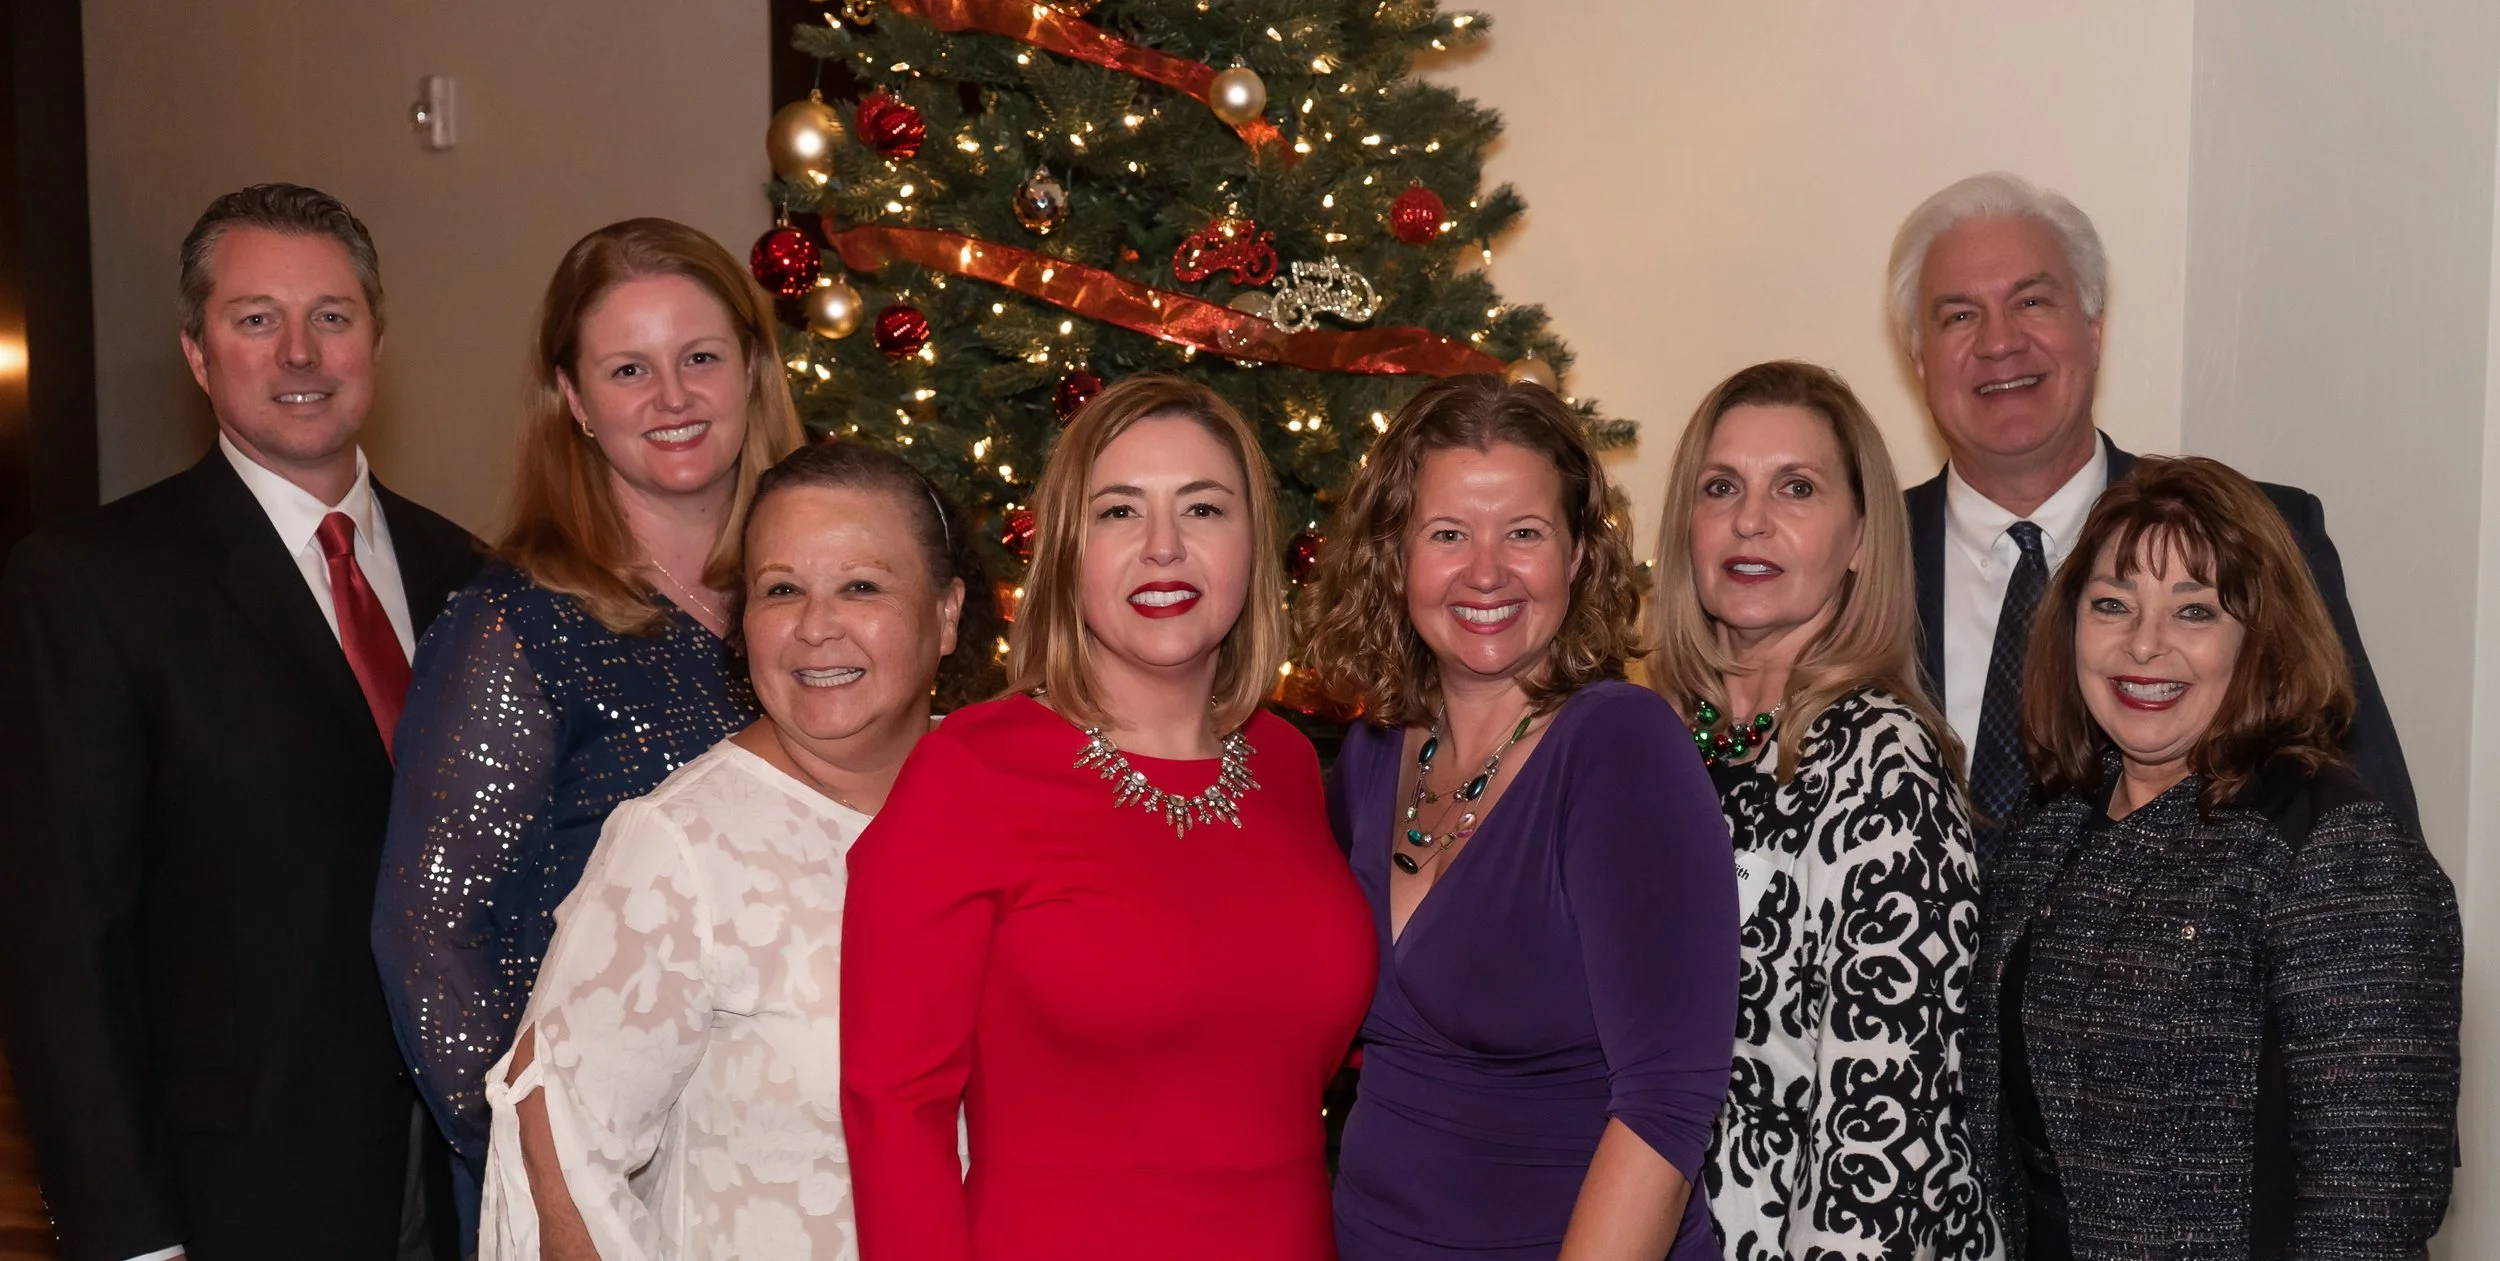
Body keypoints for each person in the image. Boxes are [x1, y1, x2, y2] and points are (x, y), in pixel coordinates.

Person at [0, 184, 478, 1261]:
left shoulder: (471, 574)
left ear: (377, 340)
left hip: (460, 1182)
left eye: (333, 317)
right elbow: (58, 947)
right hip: (230, 1193)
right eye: (256, 320)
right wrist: (127, 1235)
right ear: (197, 353)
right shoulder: (92, 585)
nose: (300, 353)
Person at [839, 376, 1375, 1260]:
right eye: (1119, 513)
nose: (1164, 547)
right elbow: (891, 1108)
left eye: (1203, 509)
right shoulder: (970, 770)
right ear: (1066, 552)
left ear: (1254, 544)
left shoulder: (1286, 763)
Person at [373, 217, 804, 1234]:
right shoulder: (513, 627)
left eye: (700, 357)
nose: (672, 398)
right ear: (574, 400)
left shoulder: (811, 611)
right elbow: (428, 938)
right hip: (604, 1193)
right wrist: (548, 1178)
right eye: (627, 369)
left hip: (787, 1170)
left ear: (751, 368)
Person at [474, 441, 992, 1259]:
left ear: (948, 611)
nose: (817, 627)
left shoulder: (1011, 805)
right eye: (782, 589)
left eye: (861, 586)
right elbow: (563, 1159)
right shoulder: (679, 846)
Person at [1967, 456, 2459, 1259]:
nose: (2144, 643)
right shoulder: (2046, 832)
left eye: (2193, 611)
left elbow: (2372, 1207)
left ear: (2261, 638)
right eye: (2112, 603)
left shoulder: (2333, 843)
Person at [1299, 374, 1737, 1260]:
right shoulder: (1374, 754)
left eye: (1525, 533)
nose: (1486, 571)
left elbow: (1666, 1106)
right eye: (1449, 534)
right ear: (1398, 556)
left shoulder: (1621, 745)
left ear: (1577, 556)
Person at [1886, 172, 2417, 858]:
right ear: (1920, 361)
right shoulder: (1853, 561)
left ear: (2095, 329)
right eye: (1958, 315)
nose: (1999, 342)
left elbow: (2374, 845)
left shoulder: (2260, 536)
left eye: (2033, 301)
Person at [1647, 362, 1997, 1261]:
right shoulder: (1658, 743)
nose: (1749, 520)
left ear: (1859, 539)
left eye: (1795, 488)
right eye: (1720, 486)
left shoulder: (1885, 761)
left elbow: (1884, 1127)